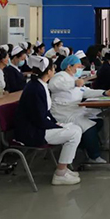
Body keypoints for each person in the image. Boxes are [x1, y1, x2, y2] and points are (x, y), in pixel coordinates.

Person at [14, 55, 82, 185]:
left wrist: (56, 123)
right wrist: (56, 126)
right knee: (74, 133)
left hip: (39, 126)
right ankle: (60, 173)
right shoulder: (35, 89)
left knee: (75, 128)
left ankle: (64, 169)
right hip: (32, 132)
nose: (54, 70)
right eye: (53, 68)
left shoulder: (40, 85)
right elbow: (38, 118)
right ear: (49, 71)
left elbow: (46, 111)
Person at [49, 54, 110, 164]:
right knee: (88, 127)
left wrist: (104, 93)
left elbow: (86, 91)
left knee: (99, 120)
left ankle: (85, 145)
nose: (80, 69)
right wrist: (74, 83)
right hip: (63, 113)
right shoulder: (60, 76)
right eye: (78, 66)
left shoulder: (74, 78)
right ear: (69, 67)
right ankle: (94, 156)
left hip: (77, 110)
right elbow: (53, 85)